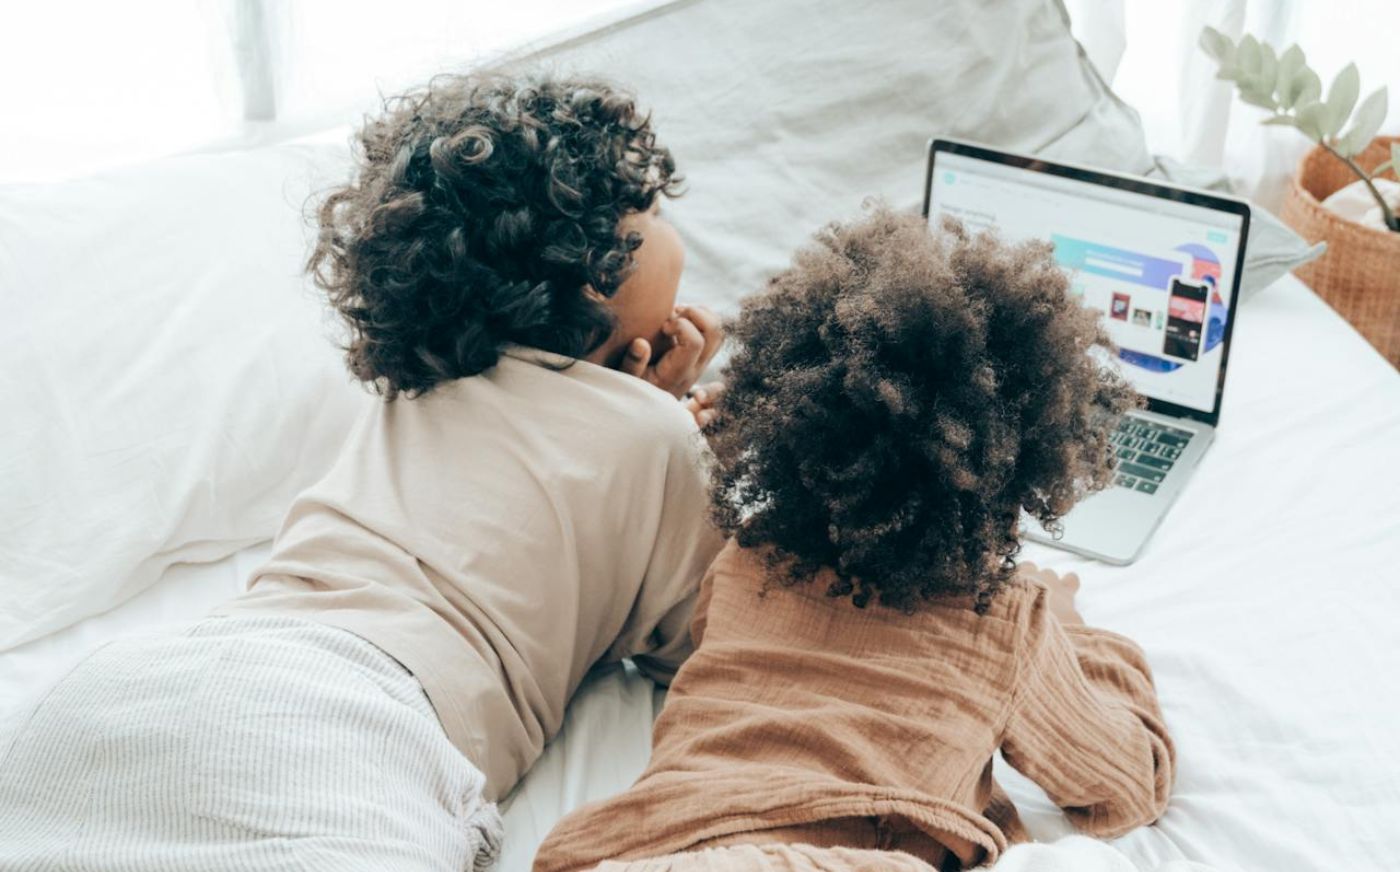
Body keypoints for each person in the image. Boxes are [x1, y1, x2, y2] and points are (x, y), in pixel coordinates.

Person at [0, 71, 724, 872]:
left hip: (127, 689)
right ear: (599, 273)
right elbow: (714, 640)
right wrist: (687, 448)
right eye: (650, 209)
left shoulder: (413, 391)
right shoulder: (655, 435)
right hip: (353, 722)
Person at [534, 206, 1171, 872]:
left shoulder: (747, 560)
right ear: (1024, 466)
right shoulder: (1008, 621)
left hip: (650, 846)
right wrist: (1083, 639)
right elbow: (1125, 787)